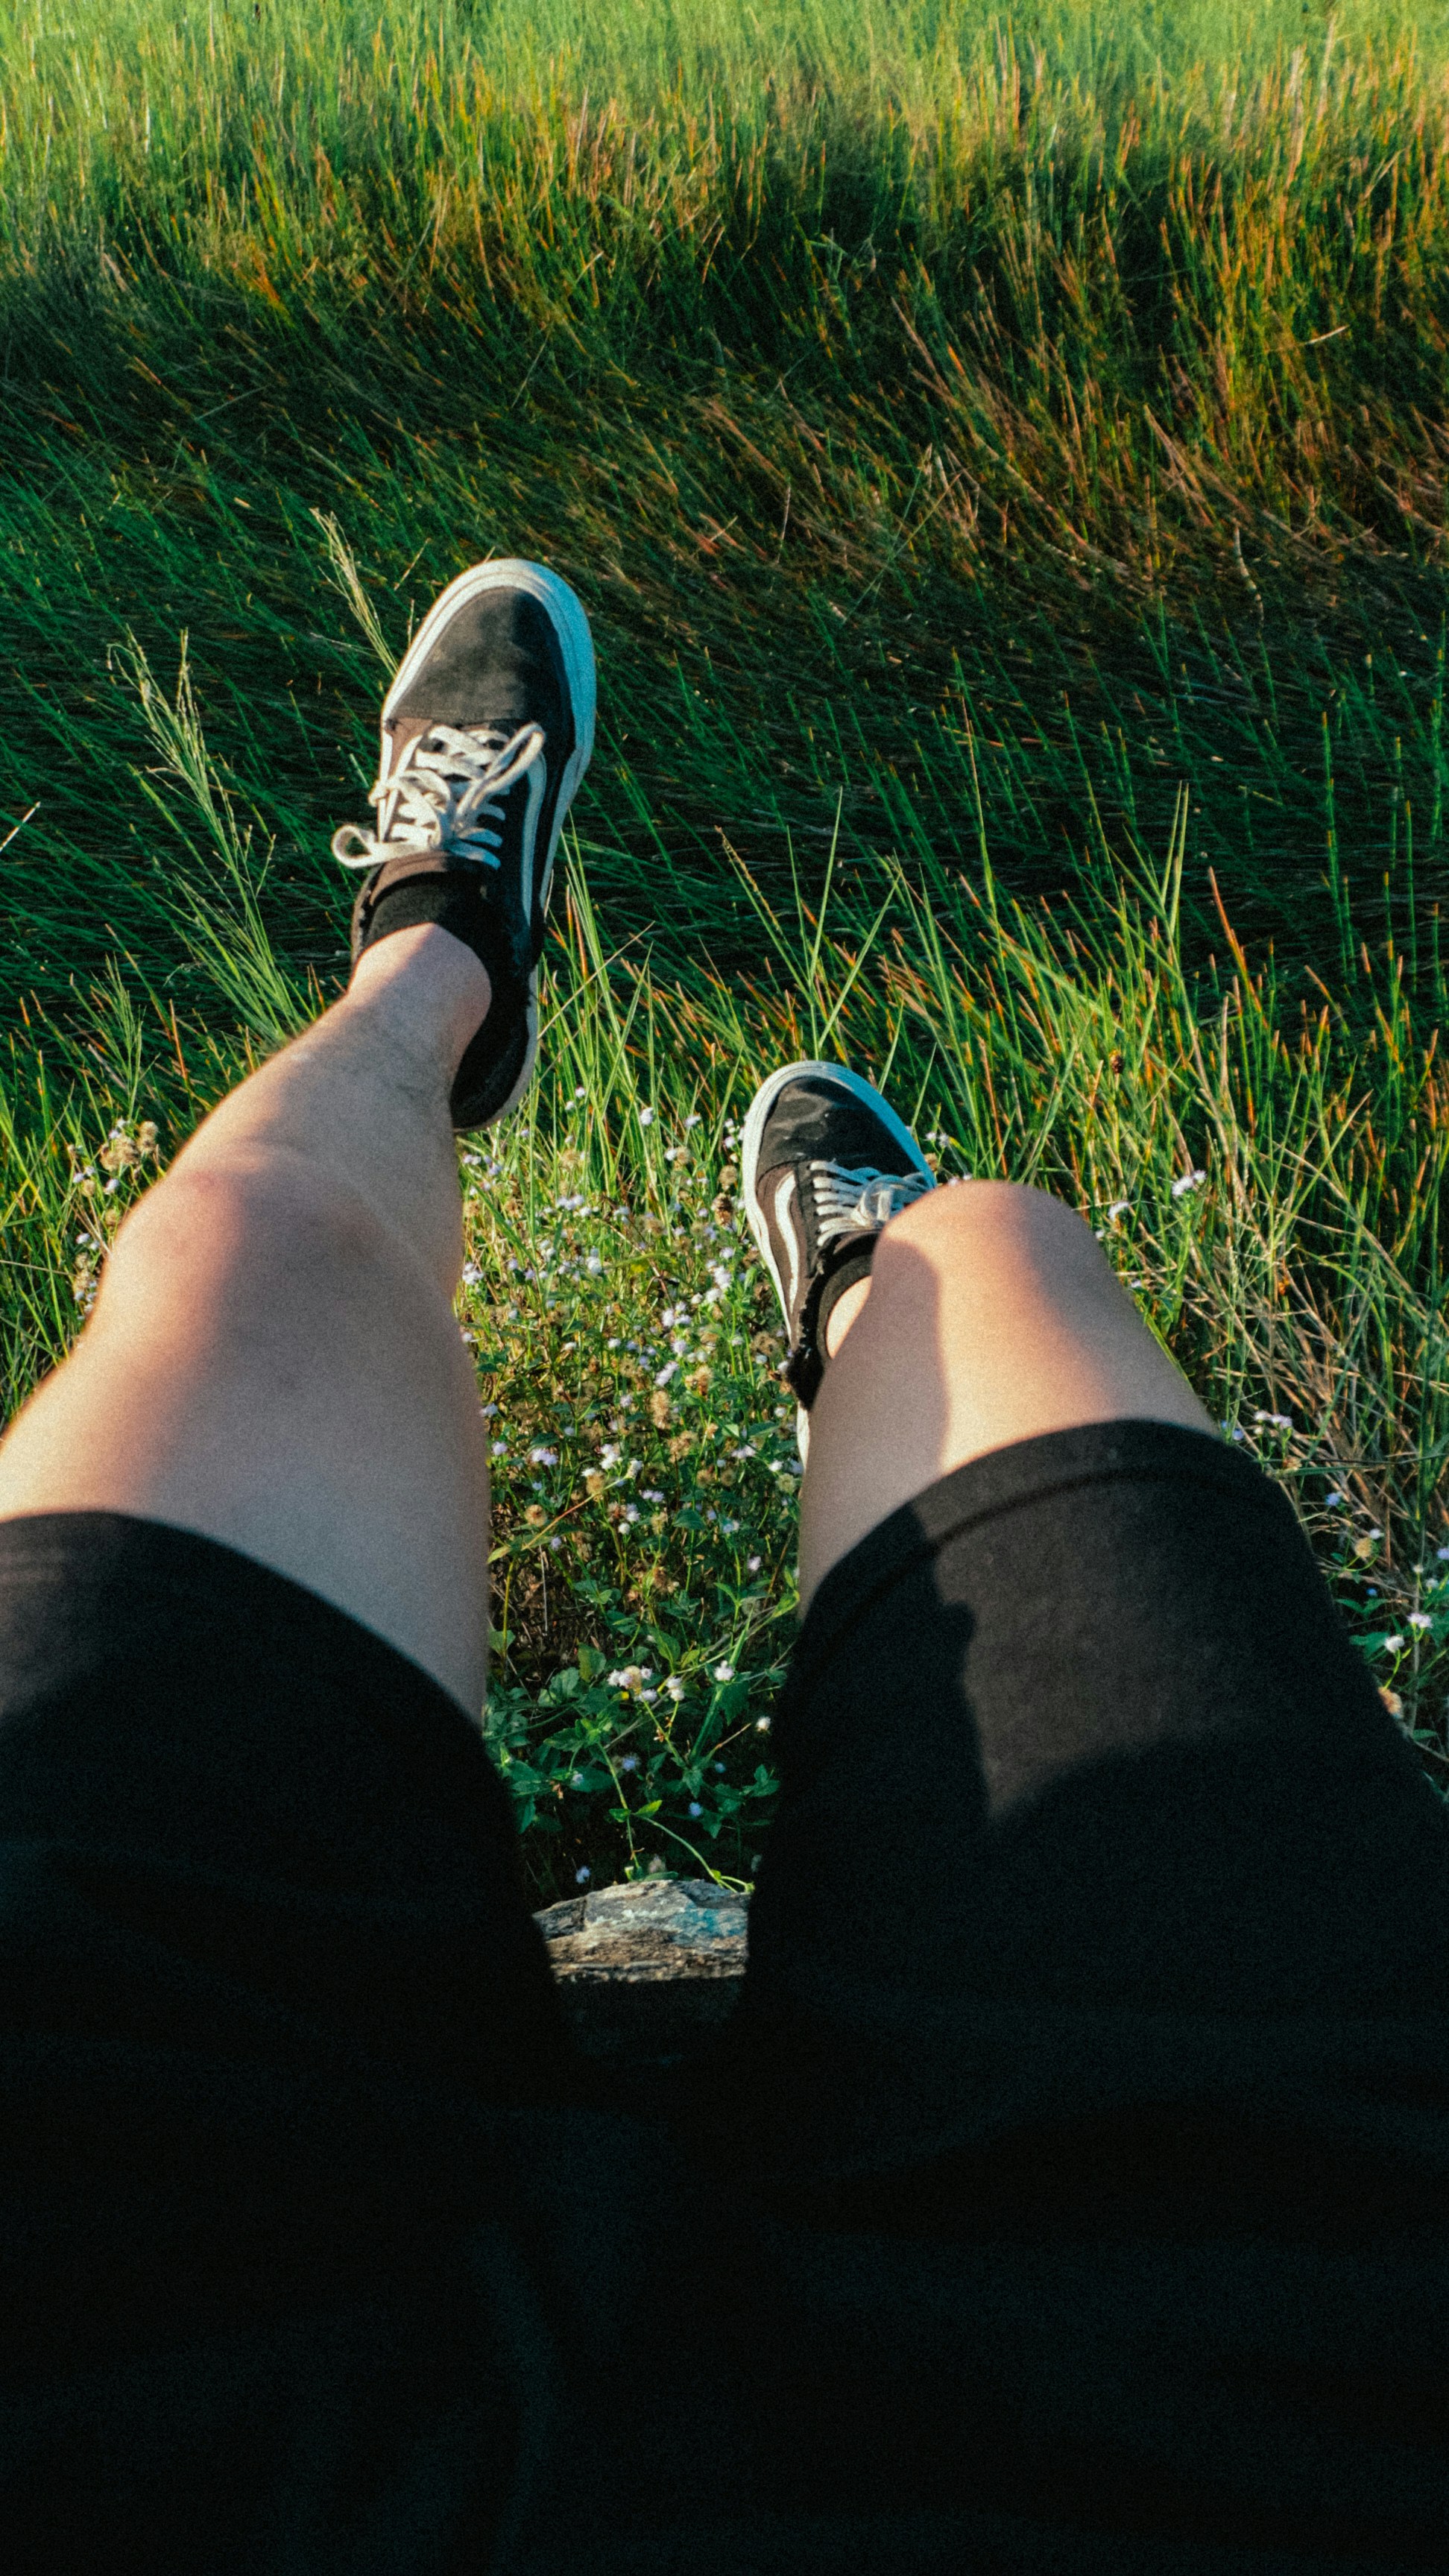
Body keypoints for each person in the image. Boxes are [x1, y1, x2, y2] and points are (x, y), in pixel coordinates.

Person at [0, 561, 1446, 2575]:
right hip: (1232, 2425)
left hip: (111, 2397)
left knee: (238, 1265)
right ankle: (858, 1297)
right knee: (999, 1252)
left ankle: (438, 955)